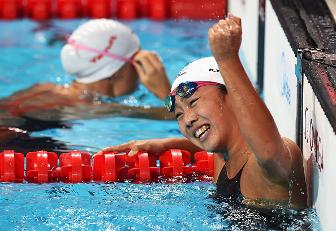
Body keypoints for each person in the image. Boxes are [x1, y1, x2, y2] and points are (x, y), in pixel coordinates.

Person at [97, 14, 307, 208]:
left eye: (194, 101)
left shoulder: (271, 162)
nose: (187, 119)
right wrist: (164, 144)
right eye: (179, 114)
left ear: (232, 95)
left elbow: (268, 150)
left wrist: (227, 59)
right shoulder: (224, 157)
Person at [0, 19, 172, 124]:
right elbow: (175, 117)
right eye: (138, 61)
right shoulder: (89, 107)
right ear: (114, 71)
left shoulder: (43, 88)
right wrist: (166, 92)